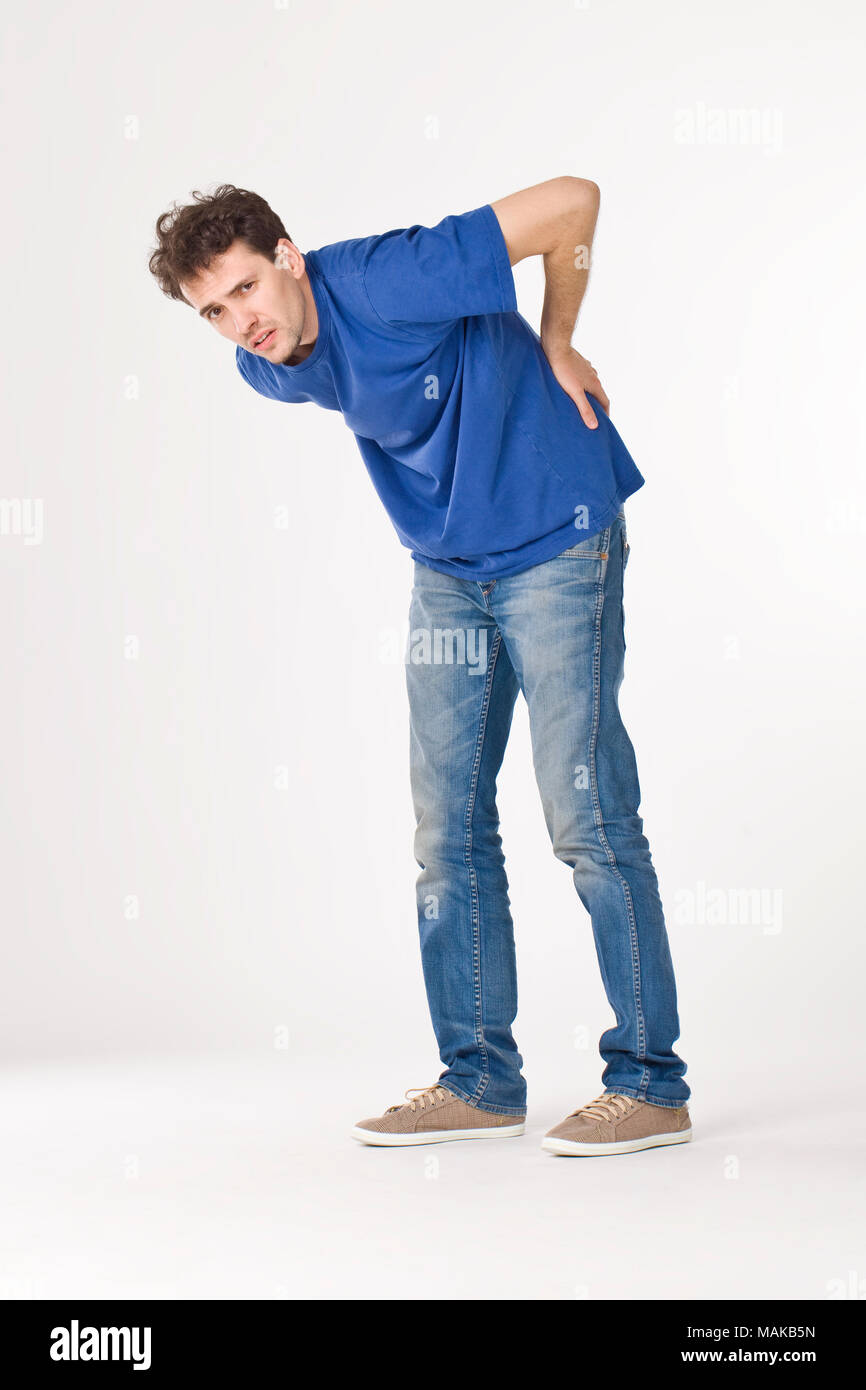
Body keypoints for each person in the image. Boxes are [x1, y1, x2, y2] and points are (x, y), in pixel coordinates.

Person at [148, 177, 691, 1157]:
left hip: (557, 538)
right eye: (213, 312)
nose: (240, 322)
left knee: (587, 817)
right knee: (445, 828)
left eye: (245, 289)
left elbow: (572, 201)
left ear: (288, 256)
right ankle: (480, 1079)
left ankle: (649, 1083)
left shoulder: (396, 274)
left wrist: (555, 340)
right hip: (448, 572)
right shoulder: (268, 370)